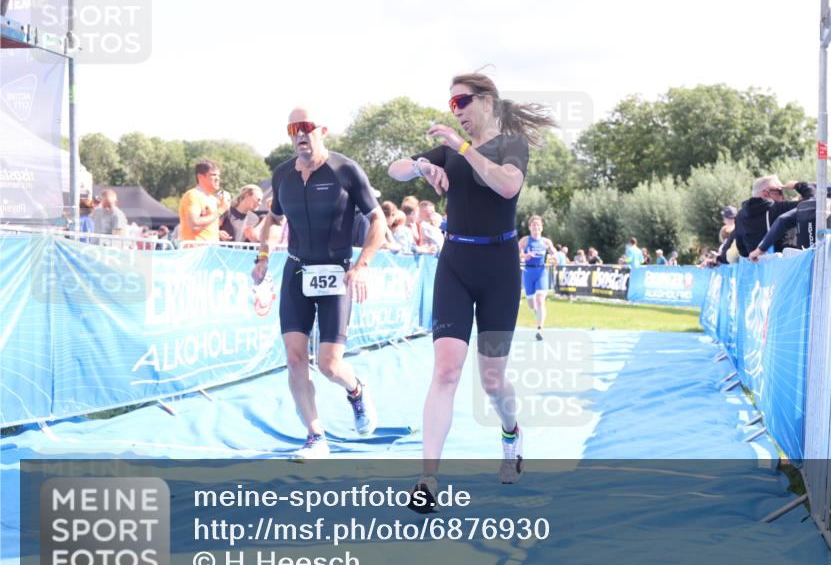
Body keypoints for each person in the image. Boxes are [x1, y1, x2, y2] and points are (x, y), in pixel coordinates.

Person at [388, 71, 555, 510]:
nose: (456, 112)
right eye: (451, 106)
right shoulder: (446, 147)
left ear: (487, 101)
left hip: (499, 269)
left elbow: (507, 185)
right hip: (456, 263)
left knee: (492, 380)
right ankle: (428, 480)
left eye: (461, 102)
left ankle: (511, 433)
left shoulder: (510, 144)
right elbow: (396, 169)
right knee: (446, 370)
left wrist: (461, 149)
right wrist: (424, 164)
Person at [251, 107, 387, 459]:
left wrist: (362, 265)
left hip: (337, 273)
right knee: (295, 359)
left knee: (328, 365)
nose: (299, 135)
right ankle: (315, 436)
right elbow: (274, 219)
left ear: (321, 130)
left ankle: (356, 391)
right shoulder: (282, 175)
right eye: (292, 128)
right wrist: (263, 257)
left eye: (305, 128)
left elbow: (378, 221)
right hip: (296, 270)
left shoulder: (345, 170)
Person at [719, 175, 796, 262]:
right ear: (766, 193)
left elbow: (742, 251)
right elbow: (810, 204)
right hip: (784, 267)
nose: (783, 197)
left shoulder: (740, 216)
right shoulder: (778, 209)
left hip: (758, 269)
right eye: (780, 191)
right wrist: (799, 185)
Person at [519, 215, 558, 341]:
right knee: (531, 304)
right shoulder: (525, 240)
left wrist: (553, 257)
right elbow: (516, 254)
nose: (536, 227)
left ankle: (540, 328)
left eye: (538, 225)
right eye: (534, 225)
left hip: (541, 272)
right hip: (528, 272)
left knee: (540, 300)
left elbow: (554, 253)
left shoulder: (546, 242)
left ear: (542, 227)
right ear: (530, 227)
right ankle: (538, 318)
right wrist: (525, 256)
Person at [178, 160, 227, 243]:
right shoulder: (193, 195)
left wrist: (216, 232)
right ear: (200, 177)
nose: (217, 179)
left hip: (211, 250)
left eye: (218, 176)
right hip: (195, 251)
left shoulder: (213, 199)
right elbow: (194, 226)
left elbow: (207, 225)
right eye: (213, 175)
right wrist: (222, 209)